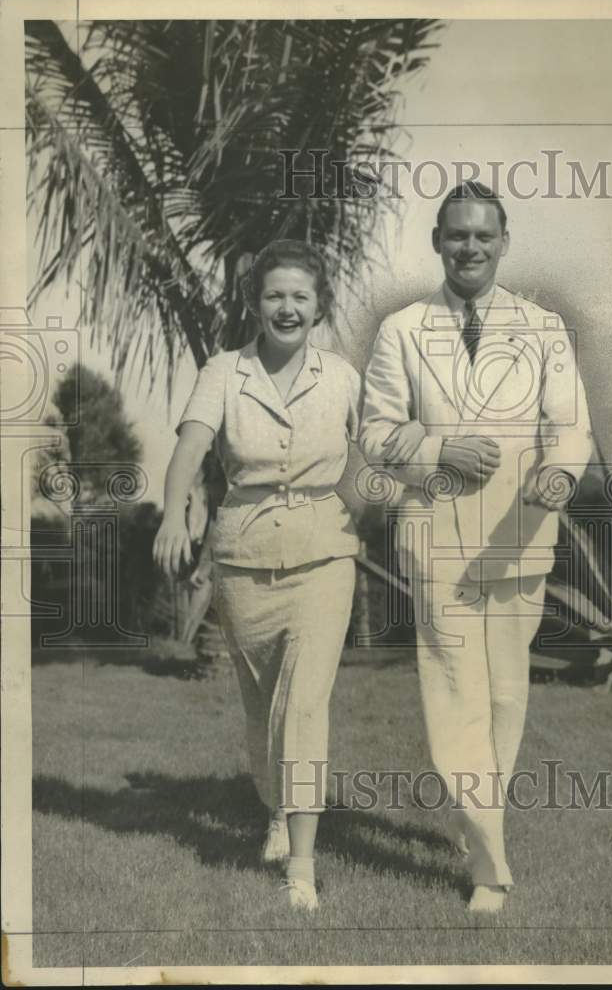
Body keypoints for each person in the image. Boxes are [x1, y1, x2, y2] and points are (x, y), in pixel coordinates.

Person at [359, 182, 593, 912]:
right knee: (454, 694)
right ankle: (489, 871)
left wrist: (557, 474)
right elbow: (372, 434)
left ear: (502, 243)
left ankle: (476, 820)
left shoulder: (542, 327)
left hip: (519, 536)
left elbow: (570, 424)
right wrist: (438, 449)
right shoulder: (400, 330)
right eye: (456, 235)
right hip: (436, 538)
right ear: (437, 241)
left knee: (503, 698)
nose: (469, 247)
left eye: (483, 236)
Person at [153, 240, 367, 910]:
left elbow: (374, 451)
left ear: (318, 305)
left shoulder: (341, 377)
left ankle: (300, 867)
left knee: (303, 704)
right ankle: (276, 808)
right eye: (274, 294)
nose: (287, 307)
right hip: (242, 553)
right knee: (261, 706)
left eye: (300, 296)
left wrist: (361, 513)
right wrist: (173, 512)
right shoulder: (224, 371)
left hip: (324, 556)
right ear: (254, 303)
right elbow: (190, 444)